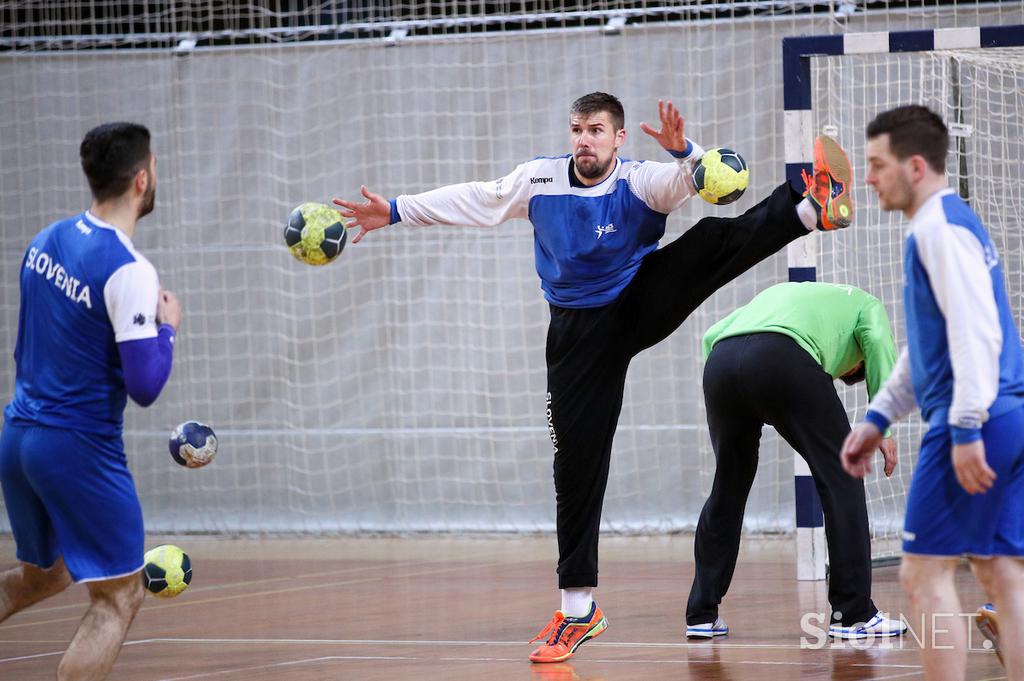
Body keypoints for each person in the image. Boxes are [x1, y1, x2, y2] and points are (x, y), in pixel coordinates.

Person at [335, 92, 854, 663]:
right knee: (576, 465)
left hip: (636, 300)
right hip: (577, 337)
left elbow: (708, 184)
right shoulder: (539, 180)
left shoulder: (640, 181)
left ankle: (809, 207)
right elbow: (477, 200)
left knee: (708, 240)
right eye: (578, 129)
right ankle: (578, 609)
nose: (584, 139)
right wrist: (396, 210)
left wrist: (686, 149)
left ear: (618, 139)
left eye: (597, 130)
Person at [841, 105, 1024, 681]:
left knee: (923, 576)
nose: (867, 177)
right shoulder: (948, 223)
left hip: (975, 420)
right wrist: (877, 418)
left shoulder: (937, 230)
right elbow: (931, 349)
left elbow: (976, 333)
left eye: (877, 164)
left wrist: (967, 427)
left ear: (915, 166)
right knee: (1001, 574)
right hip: (1006, 415)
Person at [0, 122, 181, 680]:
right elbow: (146, 386)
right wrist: (166, 327)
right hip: (76, 448)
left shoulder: (45, 240)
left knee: (44, 575)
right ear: (142, 178)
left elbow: (25, 348)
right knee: (120, 596)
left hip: (17, 435)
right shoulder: (129, 270)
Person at [684, 281, 906, 640]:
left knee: (729, 483)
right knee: (842, 474)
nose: (841, 375)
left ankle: (700, 612)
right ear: (857, 359)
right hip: (782, 358)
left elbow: (711, 335)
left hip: (721, 363)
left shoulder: (786, 296)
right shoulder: (867, 305)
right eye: (851, 372)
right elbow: (879, 344)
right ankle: (853, 614)